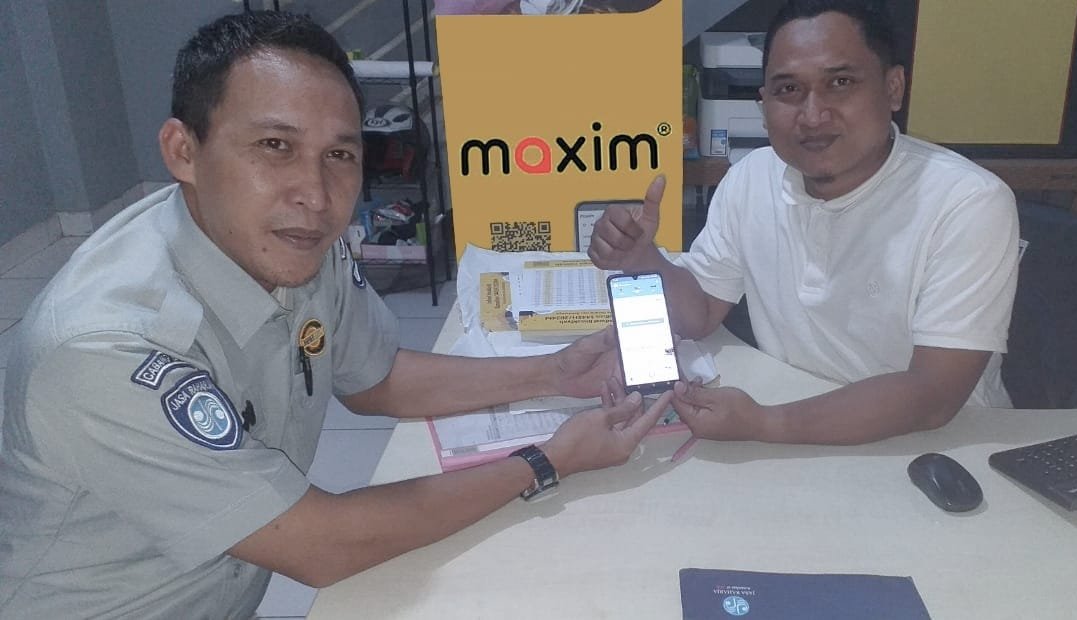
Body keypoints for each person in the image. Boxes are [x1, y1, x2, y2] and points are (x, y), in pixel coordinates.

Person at [0, 11, 670, 618]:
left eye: (339, 156)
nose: (317, 195)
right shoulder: (104, 349)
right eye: (275, 146)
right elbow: (318, 544)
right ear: (183, 151)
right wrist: (547, 461)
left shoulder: (287, 242)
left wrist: (553, 372)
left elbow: (377, 378)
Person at [589, 0, 1019, 446]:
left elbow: (933, 395)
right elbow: (699, 314)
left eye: (840, 83)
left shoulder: (967, 202)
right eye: (789, 90)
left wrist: (766, 424)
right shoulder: (752, 177)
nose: (813, 115)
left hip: (939, 448)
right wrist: (644, 258)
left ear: (893, 88)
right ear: (764, 105)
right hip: (800, 425)